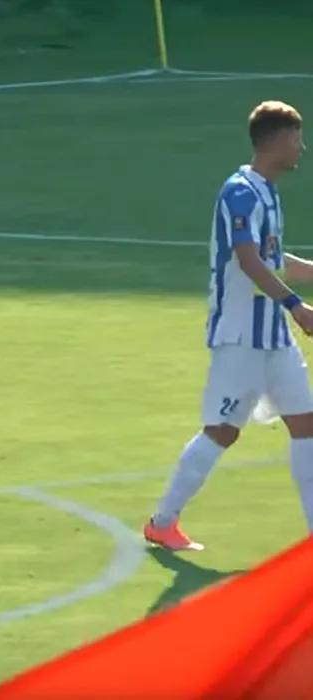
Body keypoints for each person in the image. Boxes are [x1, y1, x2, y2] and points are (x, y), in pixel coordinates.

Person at [145, 100, 313, 551]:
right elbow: (249, 260)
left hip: (273, 338)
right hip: (240, 337)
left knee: (307, 424)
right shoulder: (241, 192)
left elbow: (274, 259)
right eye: (297, 138)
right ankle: (162, 522)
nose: (301, 147)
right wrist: (296, 306)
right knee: (222, 431)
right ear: (275, 141)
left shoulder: (268, 193)